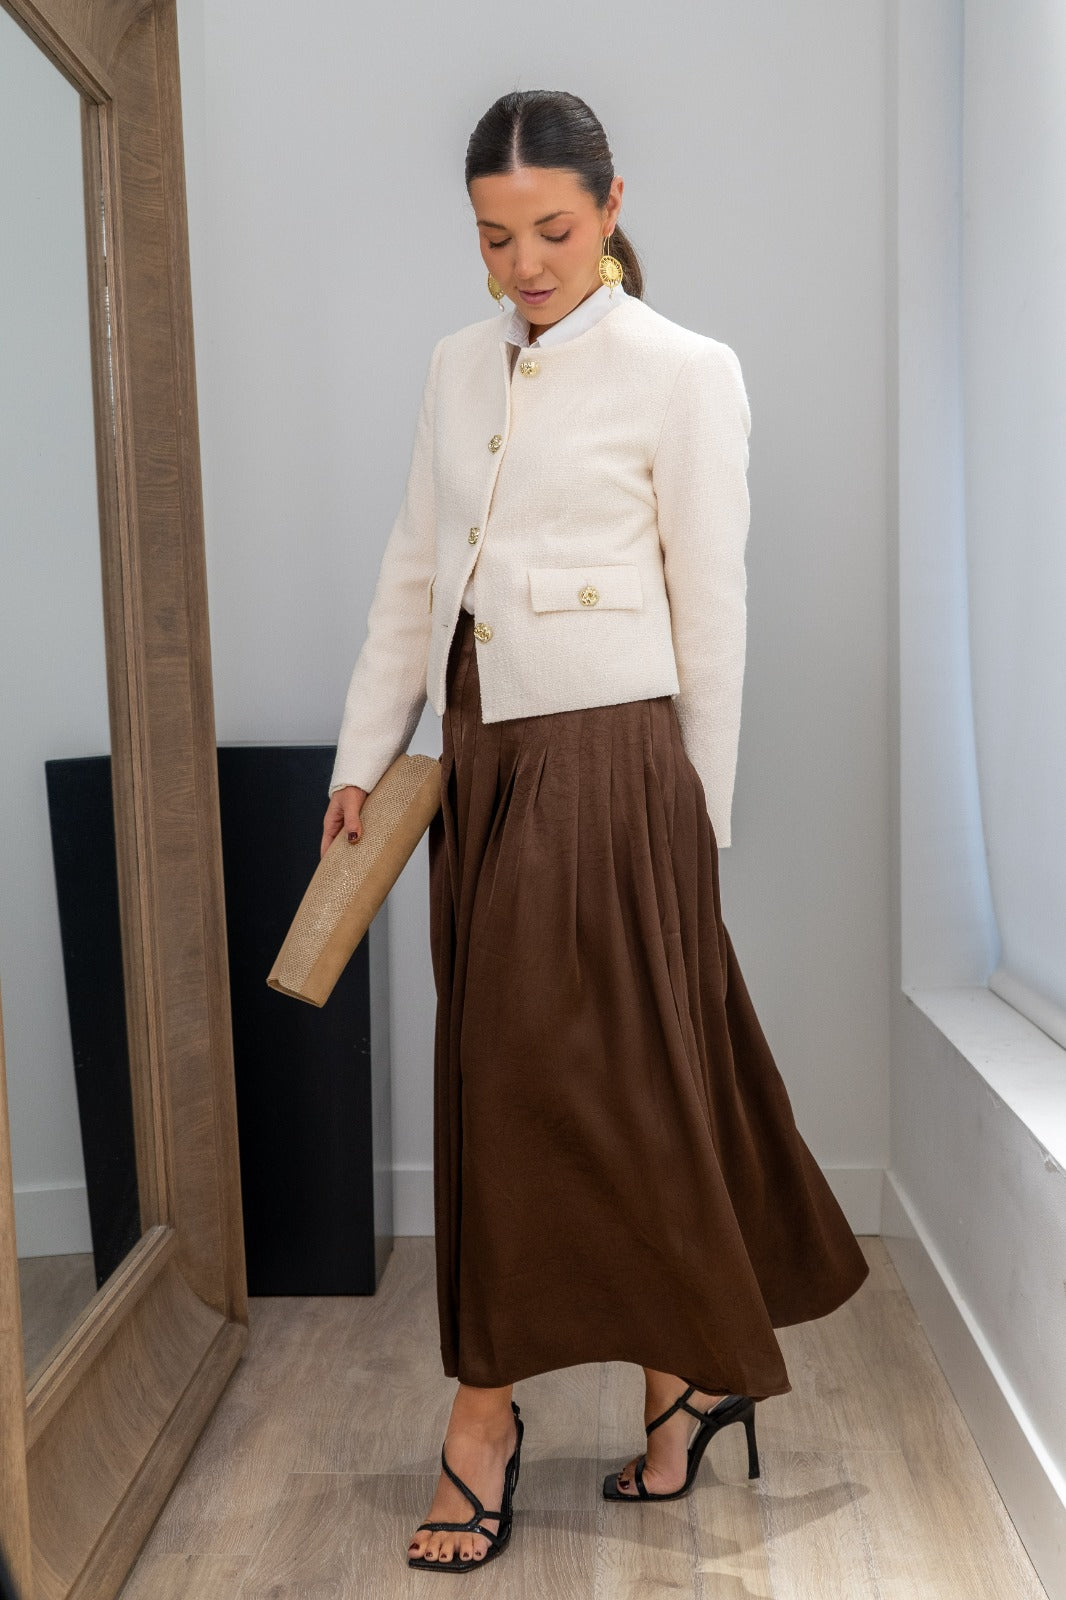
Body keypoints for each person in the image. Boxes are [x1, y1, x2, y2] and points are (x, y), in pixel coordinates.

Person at [320, 89, 870, 1574]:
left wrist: (700, 825)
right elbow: (415, 567)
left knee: (549, 1082)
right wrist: (363, 755)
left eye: (553, 231)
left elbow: (714, 608)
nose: (525, 266)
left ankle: (481, 1424)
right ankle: (680, 1381)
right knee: (582, 1081)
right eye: (494, 239)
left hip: (615, 771)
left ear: (612, 207)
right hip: (482, 757)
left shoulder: (684, 371)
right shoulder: (455, 366)